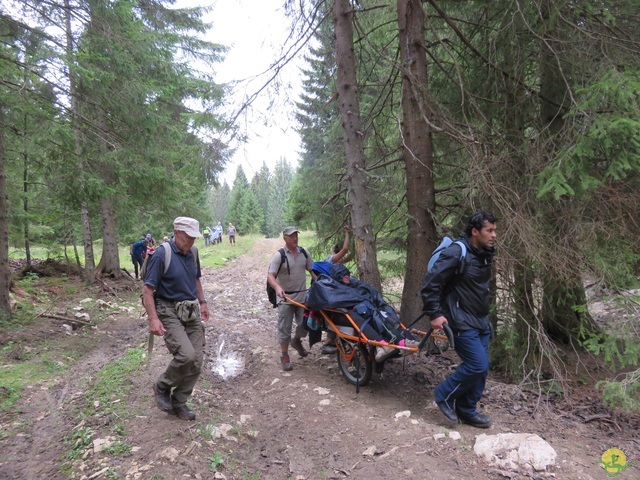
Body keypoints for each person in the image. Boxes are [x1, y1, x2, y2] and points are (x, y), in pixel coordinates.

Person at [420, 210, 497, 428]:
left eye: (494, 231)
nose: (494, 235)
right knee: (477, 365)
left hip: (480, 319)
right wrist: (434, 313)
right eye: (489, 231)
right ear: (475, 232)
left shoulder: (483, 253)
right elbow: (430, 285)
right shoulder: (456, 252)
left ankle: (467, 410)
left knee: (482, 369)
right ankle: (443, 394)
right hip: (460, 319)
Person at [142, 216, 210, 421]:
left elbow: (196, 278)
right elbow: (147, 290)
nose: (190, 242)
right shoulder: (162, 254)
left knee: (197, 361)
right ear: (176, 232)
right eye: (187, 237)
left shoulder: (193, 253)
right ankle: (162, 385)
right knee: (186, 355)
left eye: (193, 238)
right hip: (168, 309)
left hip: (190, 309)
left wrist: (203, 302)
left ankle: (179, 401)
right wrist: (153, 319)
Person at [323, 263, 418, 362]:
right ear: (337, 276)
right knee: (368, 317)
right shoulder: (333, 288)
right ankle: (383, 345)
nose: (347, 276)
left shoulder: (353, 286)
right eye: (343, 275)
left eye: (347, 274)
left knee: (379, 315)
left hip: (364, 312)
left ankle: (402, 341)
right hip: (346, 315)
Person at [267, 227, 315, 371]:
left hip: (302, 298)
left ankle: (297, 341)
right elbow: (270, 276)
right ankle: (284, 355)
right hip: (285, 298)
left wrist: (319, 283)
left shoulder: (304, 253)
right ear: (285, 238)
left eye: (296, 235)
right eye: (291, 236)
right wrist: (278, 288)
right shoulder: (279, 256)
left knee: (305, 326)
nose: (295, 238)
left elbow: (312, 271)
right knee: (284, 328)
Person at [320, 227, 351, 354]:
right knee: (336, 317)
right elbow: (345, 249)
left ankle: (334, 342)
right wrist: (347, 233)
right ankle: (327, 343)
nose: (343, 260)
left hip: (333, 294)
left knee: (337, 318)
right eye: (342, 257)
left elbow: (348, 255)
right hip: (330, 295)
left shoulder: (337, 262)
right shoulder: (332, 259)